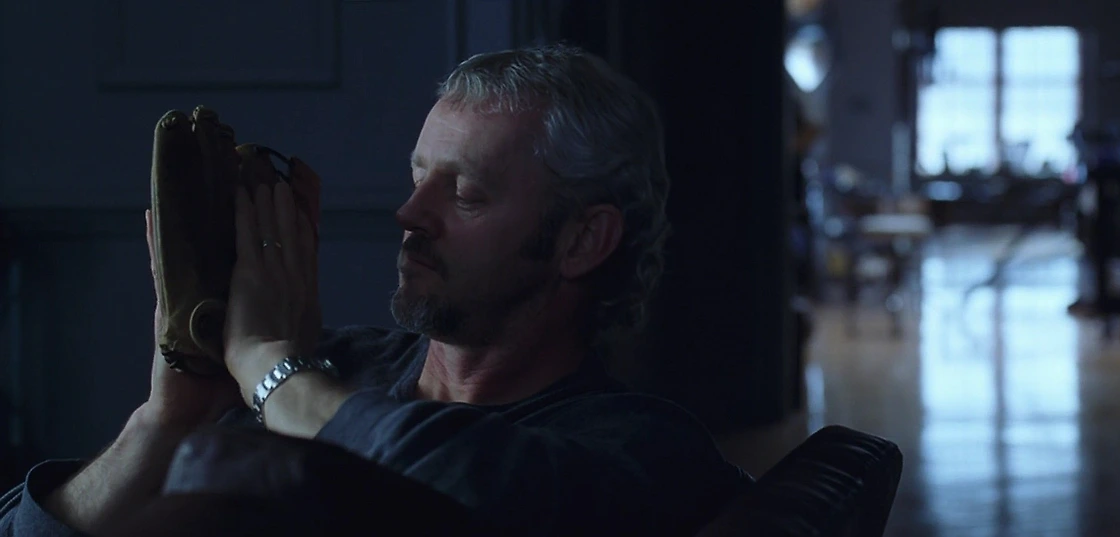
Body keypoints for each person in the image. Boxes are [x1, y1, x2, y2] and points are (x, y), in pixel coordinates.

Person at [0, 44, 751, 536]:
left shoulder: (642, 446)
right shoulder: (326, 366)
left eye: (466, 193)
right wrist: (169, 416)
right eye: (418, 176)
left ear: (583, 240)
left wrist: (270, 369)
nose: (409, 214)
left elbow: (472, 483)